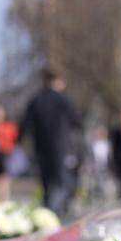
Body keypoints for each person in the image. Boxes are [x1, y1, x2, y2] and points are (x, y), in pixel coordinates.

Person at [20, 67, 82, 215]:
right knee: (61, 180)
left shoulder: (36, 100)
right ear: (59, 81)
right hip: (61, 146)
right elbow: (77, 122)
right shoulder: (64, 100)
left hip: (41, 147)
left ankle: (47, 211)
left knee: (46, 182)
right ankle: (57, 212)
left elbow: (25, 125)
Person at [0, 103, 20, 202]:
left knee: (4, 179)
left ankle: (4, 200)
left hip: (6, 154)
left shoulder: (9, 126)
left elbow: (15, 139)